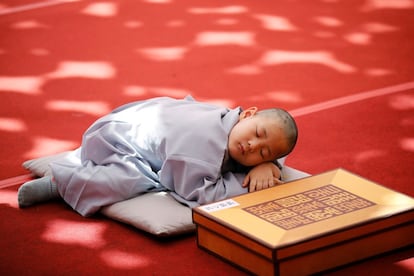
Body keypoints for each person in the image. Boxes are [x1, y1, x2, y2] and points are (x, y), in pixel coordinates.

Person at [17, 96, 298, 216]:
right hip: (116, 141)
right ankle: (61, 182)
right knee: (131, 181)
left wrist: (270, 165)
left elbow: (273, 146)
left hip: (139, 119)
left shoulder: (231, 120)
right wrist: (250, 179)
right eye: (257, 133)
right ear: (248, 114)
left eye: (263, 152)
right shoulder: (202, 149)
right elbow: (202, 194)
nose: (251, 145)